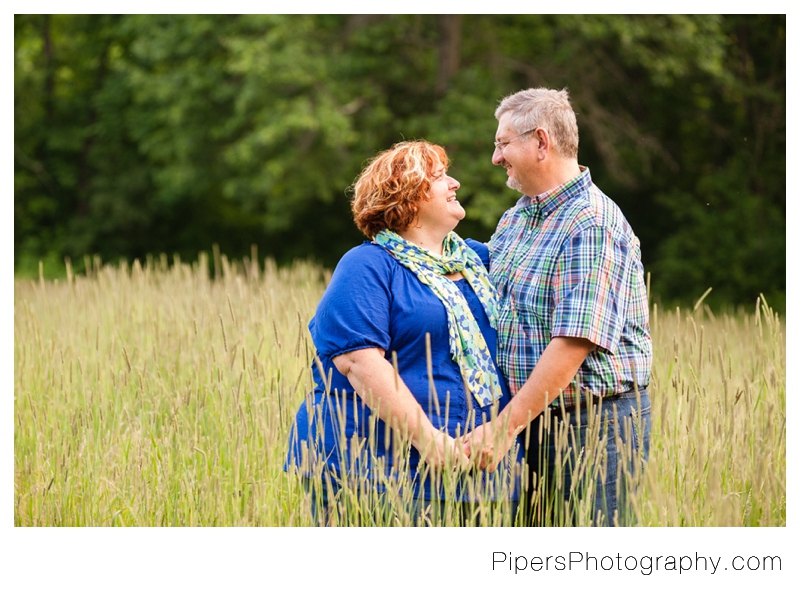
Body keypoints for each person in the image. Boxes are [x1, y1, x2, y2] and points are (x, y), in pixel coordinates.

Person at [285, 140, 522, 526]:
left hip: (474, 473)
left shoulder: (478, 261)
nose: (455, 183)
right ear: (407, 197)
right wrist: (429, 441)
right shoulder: (368, 265)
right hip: (371, 468)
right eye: (440, 177)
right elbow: (359, 362)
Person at [463, 88, 652, 526]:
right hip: (531, 421)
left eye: (503, 143)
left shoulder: (591, 223)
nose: (496, 157)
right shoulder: (518, 216)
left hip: (591, 428)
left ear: (541, 142)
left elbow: (572, 345)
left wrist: (503, 427)